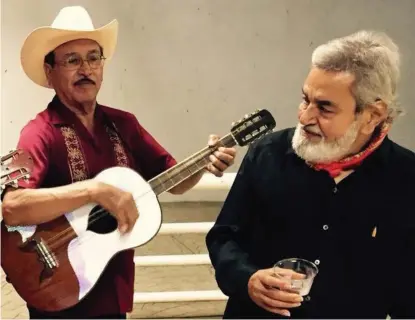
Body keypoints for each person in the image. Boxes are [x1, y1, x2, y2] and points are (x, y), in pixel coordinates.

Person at [1, 6, 237, 319]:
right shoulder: (39, 132)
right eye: (72, 60)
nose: (86, 68)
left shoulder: (124, 125)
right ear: (50, 71)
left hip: (112, 288)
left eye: (93, 57)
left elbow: (174, 180)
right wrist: (94, 191)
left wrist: (205, 163)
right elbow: (12, 205)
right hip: (55, 285)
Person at [206, 30, 415, 319]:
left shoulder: (406, 179)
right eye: (305, 100)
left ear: (372, 115)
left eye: (325, 108)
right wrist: (247, 279)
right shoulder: (268, 153)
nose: (304, 117)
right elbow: (224, 236)